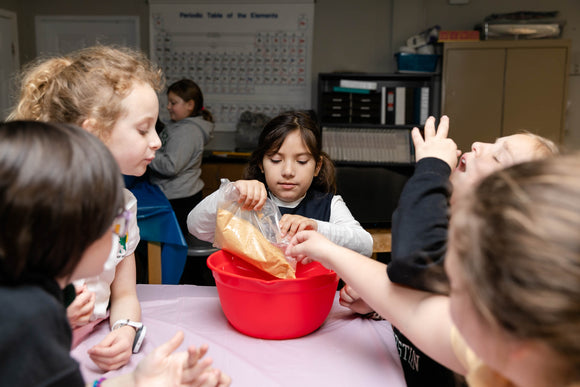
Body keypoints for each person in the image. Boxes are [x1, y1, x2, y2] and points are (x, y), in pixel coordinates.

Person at [285, 152, 580, 387]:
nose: (441, 297)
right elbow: (413, 311)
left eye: (457, 288)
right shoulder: (506, 348)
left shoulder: (492, 347)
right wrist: (327, 250)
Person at [0, 121, 231, 386]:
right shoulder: (29, 325)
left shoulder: (32, 300)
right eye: (106, 210)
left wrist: (135, 381)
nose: (118, 222)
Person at [341, 115, 559, 387]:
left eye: (498, 157)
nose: (478, 144)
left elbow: (417, 263)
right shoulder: (453, 238)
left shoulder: (488, 274)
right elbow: (424, 298)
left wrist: (431, 168)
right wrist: (381, 305)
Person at [8, 45, 161, 371]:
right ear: (92, 133)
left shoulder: (124, 205)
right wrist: (55, 316)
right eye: (143, 129)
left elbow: (123, 294)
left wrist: (124, 331)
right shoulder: (31, 205)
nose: (157, 141)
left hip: (89, 343)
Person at [187, 110, 373, 257]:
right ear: (261, 163)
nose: (288, 171)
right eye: (276, 160)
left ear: (317, 167)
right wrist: (230, 192)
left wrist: (315, 227)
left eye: (301, 161)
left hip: (311, 299)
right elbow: (195, 226)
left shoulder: (329, 205)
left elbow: (365, 245)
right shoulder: (245, 202)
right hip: (253, 297)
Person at [149, 79, 215, 237]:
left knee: (173, 245)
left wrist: (148, 153)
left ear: (190, 105)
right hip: (176, 195)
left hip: (179, 199)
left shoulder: (187, 132)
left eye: (173, 102)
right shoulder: (179, 126)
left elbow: (171, 166)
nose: (168, 107)